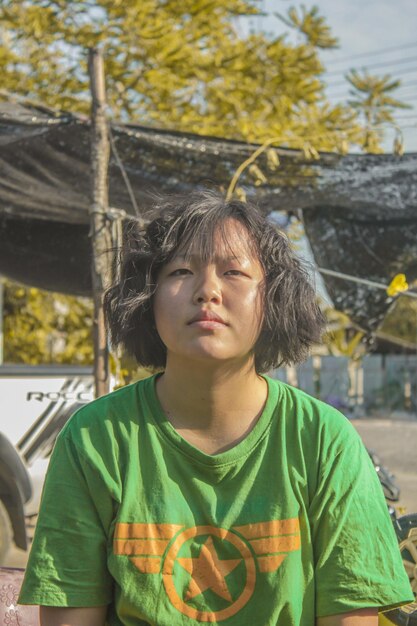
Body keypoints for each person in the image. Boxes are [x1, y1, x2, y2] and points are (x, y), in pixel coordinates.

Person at [19, 190, 413, 625]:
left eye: (233, 272)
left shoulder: (324, 441)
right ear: (147, 298)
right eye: (182, 271)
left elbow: (350, 616)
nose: (207, 291)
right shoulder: (95, 438)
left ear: (273, 299)